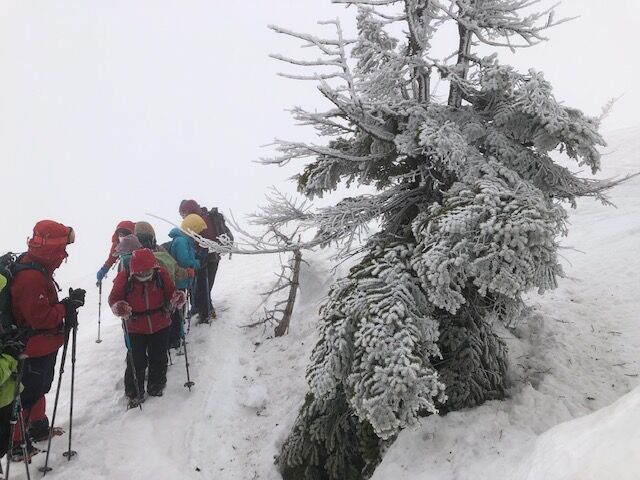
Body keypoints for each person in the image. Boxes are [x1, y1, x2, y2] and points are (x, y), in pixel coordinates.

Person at [9, 220, 85, 460]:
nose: (64, 255)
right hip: (33, 347)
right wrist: (66, 307)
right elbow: (40, 318)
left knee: (40, 387)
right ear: (52, 248)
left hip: (41, 345)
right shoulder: (31, 277)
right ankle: (17, 445)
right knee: (27, 394)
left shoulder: (33, 266)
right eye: (63, 248)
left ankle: (38, 427)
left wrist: (64, 306)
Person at [108, 248, 185, 408]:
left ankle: (156, 386)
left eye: (147, 272)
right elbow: (114, 299)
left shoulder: (161, 274)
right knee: (136, 360)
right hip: (135, 327)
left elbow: (171, 292)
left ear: (153, 267)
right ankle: (134, 392)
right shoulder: (124, 276)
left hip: (160, 323)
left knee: (159, 356)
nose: (144, 275)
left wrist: (177, 298)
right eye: (140, 273)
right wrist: (119, 307)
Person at [178, 200, 220, 322]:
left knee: (203, 288)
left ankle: (207, 313)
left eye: (183, 213)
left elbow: (206, 240)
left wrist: (200, 254)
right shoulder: (202, 217)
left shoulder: (203, 220)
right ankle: (200, 309)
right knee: (201, 288)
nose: (182, 217)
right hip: (210, 259)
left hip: (207, 260)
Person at [169, 214, 205, 323]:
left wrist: (196, 255)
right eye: (197, 231)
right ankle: (178, 333)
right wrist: (198, 263)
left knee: (180, 307)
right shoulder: (182, 241)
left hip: (182, 280)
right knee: (179, 308)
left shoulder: (184, 240)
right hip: (179, 280)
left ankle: (179, 329)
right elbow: (183, 261)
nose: (198, 234)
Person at [96, 220, 135, 285]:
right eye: (120, 234)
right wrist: (104, 269)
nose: (122, 236)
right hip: (124, 272)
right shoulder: (117, 243)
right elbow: (111, 258)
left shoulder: (140, 242)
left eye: (126, 233)